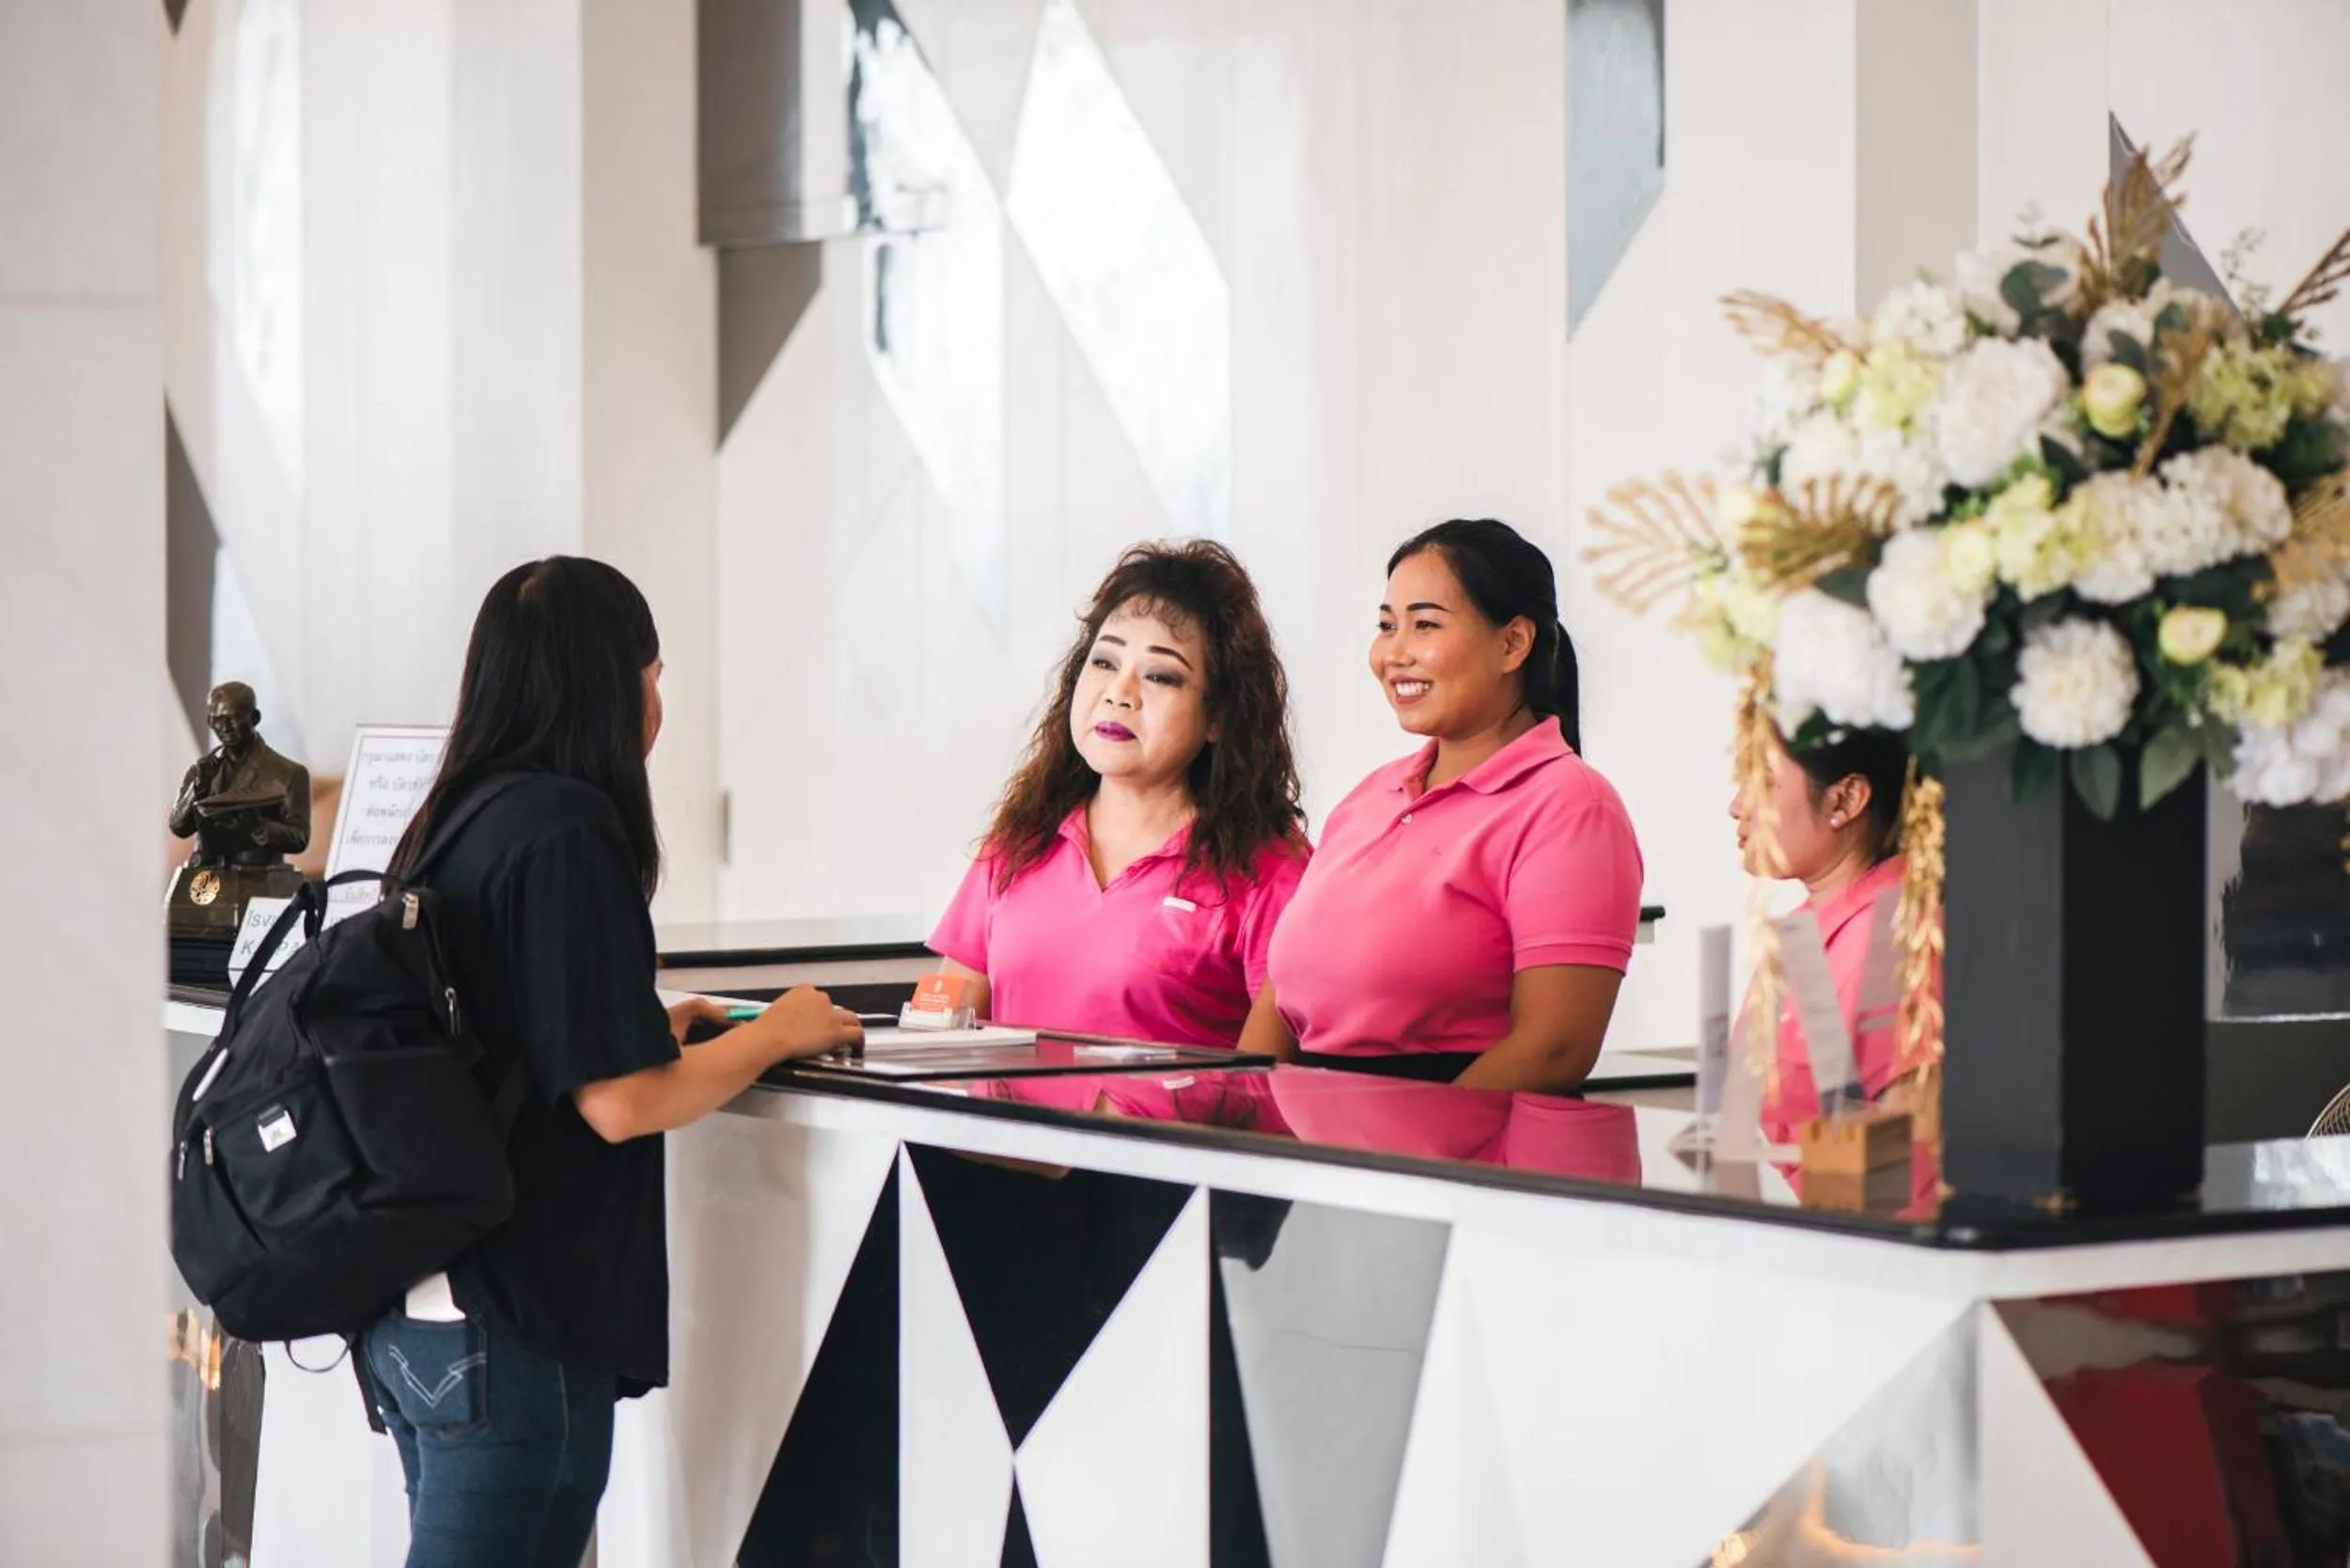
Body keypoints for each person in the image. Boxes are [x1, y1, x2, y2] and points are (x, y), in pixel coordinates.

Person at [364, 557, 862, 1568]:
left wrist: (637, 1020)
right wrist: (778, 1031)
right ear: (607, 683)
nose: (658, 702)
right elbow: (622, 1103)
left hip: (418, 1312)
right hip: (516, 1323)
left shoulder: (453, 819)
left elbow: (519, 1033)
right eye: (654, 674)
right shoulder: (567, 829)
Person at [1245, 519, 1643, 1090]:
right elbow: (1280, 994)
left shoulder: (1571, 806)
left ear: (1513, 643)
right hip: (1313, 1157)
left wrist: (1403, 1172)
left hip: (1449, 1158)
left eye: (1425, 624)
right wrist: (1244, 1131)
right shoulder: (1368, 798)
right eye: (1387, 626)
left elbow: (1555, 1048)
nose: (1393, 654)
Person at [930, 541, 1309, 1046]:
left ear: (1218, 717)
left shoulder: (1271, 868)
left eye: (1160, 676)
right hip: (1008, 1127)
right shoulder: (1023, 840)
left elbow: (1268, 1087)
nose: (1119, 693)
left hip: (1172, 1129)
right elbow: (933, 1037)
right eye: (1104, 663)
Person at [1728, 722, 1929, 1147]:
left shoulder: (1902, 944)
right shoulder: (1805, 929)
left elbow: (1902, 1168)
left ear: (1847, 798)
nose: (1737, 805)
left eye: (1764, 781)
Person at [169, 682, 311, 866]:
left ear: (254, 718)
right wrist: (198, 787)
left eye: (233, 718)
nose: (225, 727)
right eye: (217, 720)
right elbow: (179, 827)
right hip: (204, 881)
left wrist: (259, 827)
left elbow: (299, 838)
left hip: (257, 880)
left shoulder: (289, 773)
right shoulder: (201, 771)